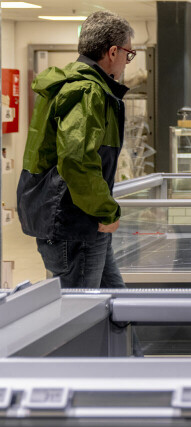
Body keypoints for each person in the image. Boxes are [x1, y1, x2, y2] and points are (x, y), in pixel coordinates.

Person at [17, 10, 134, 289]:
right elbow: (76, 160)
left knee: (115, 301)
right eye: (128, 54)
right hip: (74, 222)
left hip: (79, 221)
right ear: (113, 52)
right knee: (82, 310)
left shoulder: (68, 85)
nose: (127, 62)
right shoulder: (86, 91)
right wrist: (107, 211)